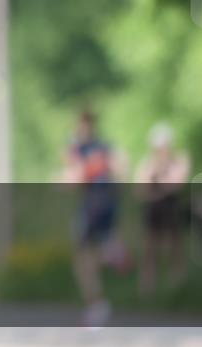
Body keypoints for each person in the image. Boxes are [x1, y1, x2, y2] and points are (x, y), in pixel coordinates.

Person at [62, 108, 126, 328]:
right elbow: (121, 169)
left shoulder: (78, 148)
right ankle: (111, 256)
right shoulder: (105, 147)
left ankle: (97, 305)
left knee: (81, 259)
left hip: (93, 206)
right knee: (86, 258)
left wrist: (65, 180)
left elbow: (75, 178)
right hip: (107, 203)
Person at [135, 122, 190, 295]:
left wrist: (157, 182)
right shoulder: (148, 163)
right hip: (153, 209)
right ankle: (148, 287)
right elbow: (140, 189)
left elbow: (176, 184)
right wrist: (156, 174)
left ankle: (177, 285)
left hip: (171, 207)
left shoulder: (180, 159)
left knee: (174, 246)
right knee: (150, 248)